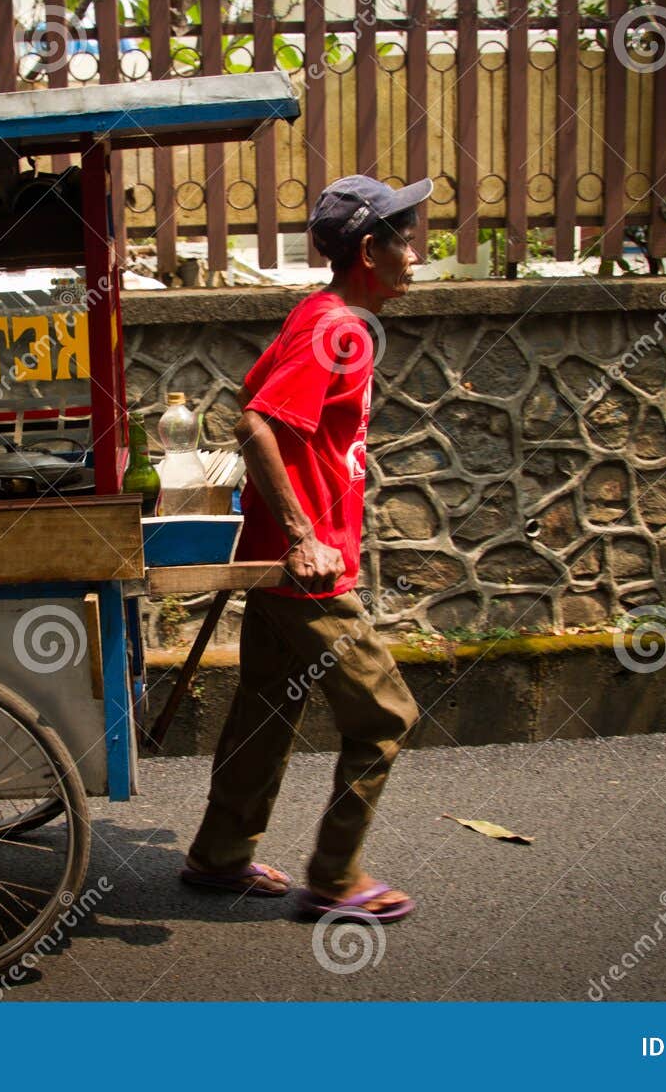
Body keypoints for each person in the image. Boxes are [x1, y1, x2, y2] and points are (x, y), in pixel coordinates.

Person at [179, 175, 428, 923]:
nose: (413, 253)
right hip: (303, 568)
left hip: (283, 561)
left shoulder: (322, 316)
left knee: (267, 708)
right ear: (366, 250)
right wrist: (303, 535)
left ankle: (220, 854)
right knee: (386, 714)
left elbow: (261, 408)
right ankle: (335, 877)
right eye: (403, 238)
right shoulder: (336, 330)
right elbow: (255, 424)